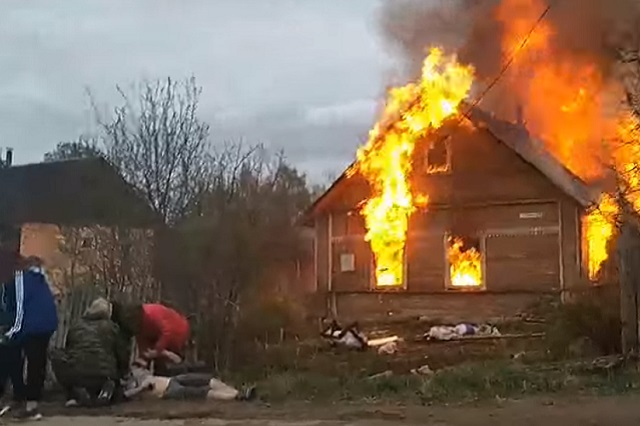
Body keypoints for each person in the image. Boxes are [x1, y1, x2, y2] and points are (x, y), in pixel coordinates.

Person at [2, 254, 58, 420]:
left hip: (32, 325)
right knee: (37, 363)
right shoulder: (40, 278)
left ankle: (22, 399)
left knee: (12, 353)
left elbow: (21, 308)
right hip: (47, 324)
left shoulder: (21, 279)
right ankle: (32, 404)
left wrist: (11, 333)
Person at [50, 298, 131, 408]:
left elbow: (69, 348)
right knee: (110, 376)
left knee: (57, 355)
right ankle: (107, 390)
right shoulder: (112, 328)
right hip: (104, 374)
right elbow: (122, 354)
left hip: (76, 372)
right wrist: (123, 373)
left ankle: (75, 392)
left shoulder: (76, 326)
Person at [111, 301, 189, 375]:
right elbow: (143, 343)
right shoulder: (139, 328)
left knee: (170, 366)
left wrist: (157, 350)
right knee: (159, 367)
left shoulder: (151, 314)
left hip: (177, 332)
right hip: (159, 337)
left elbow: (167, 331)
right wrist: (143, 358)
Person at [124, 360, 256, 402]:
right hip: (167, 391)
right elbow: (128, 394)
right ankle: (238, 397)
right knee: (202, 392)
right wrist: (142, 388)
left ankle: (239, 392)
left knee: (206, 379)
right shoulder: (126, 382)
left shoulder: (136, 370)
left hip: (171, 380)